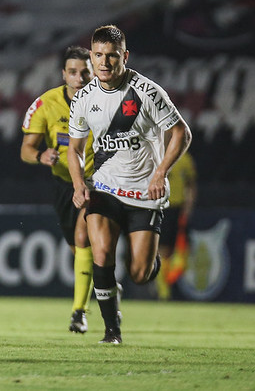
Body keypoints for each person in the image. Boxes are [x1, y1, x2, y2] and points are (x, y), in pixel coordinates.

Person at [67, 25, 192, 344]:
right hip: (105, 189)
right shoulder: (83, 98)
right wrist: (79, 183)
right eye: (98, 56)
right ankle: (112, 330)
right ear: (91, 57)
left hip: (143, 195)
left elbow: (181, 133)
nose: (104, 63)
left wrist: (161, 172)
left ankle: (148, 263)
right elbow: (75, 150)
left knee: (139, 273)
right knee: (102, 252)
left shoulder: (147, 92)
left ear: (124, 56)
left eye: (111, 56)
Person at [21, 46, 96, 334]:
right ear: (64, 74)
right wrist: (40, 155)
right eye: (73, 72)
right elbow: (26, 149)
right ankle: (103, 284)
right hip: (63, 183)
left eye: (84, 72)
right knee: (78, 249)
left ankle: (79, 312)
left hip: (96, 181)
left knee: (82, 237)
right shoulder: (46, 104)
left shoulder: (105, 101)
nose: (79, 78)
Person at [156, 151, 197, 299]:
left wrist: (188, 208)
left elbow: (191, 186)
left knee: (183, 252)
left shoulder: (185, 159)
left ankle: (167, 281)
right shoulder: (156, 155)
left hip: (178, 210)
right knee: (164, 250)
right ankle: (164, 291)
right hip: (162, 207)